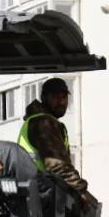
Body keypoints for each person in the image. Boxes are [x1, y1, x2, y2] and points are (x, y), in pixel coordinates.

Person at [18, 78, 94, 206]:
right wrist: (79, 189)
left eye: (64, 97)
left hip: (36, 191)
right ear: (44, 98)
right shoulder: (44, 122)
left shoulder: (41, 121)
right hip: (40, 193)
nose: (61, 101)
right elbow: (57, 164)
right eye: (55, 97)